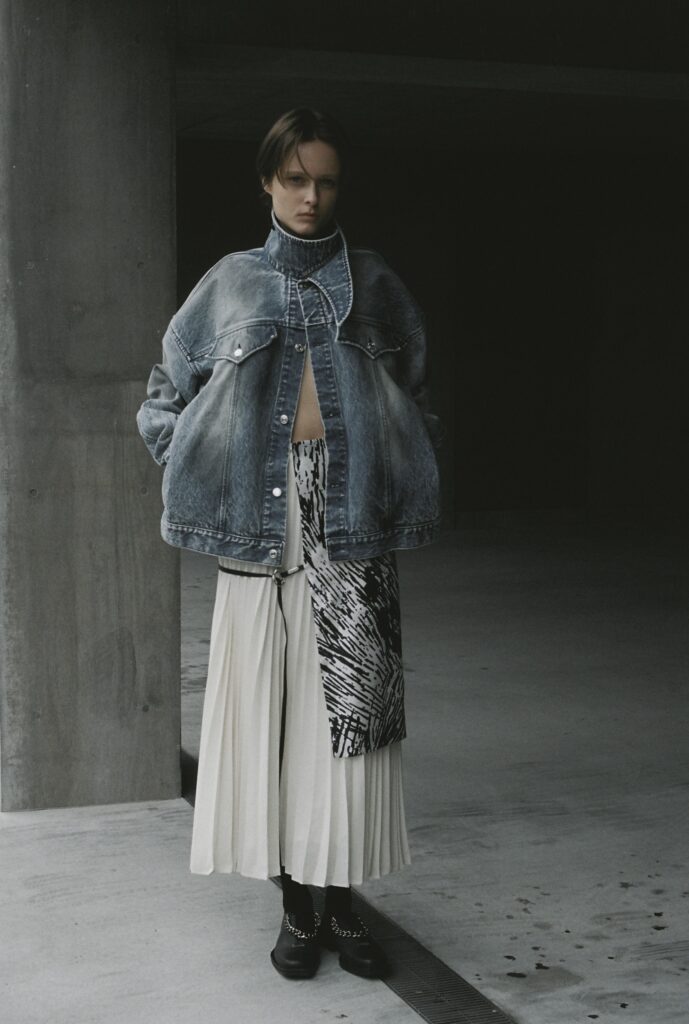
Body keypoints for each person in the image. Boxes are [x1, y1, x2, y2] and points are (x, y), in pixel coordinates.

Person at [136, 107, 442, 981]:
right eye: (296, 178)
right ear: (269, 180)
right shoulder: (230, 282)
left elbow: (417, 399)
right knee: (269, 726)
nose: (310, 196)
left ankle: (342, 908)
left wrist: (393, 474)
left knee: (350, 729)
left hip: (350, 528)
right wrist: (200, 465)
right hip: (257, 528)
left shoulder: (374, 283)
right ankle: (296, 912)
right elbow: (164, 396)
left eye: (325, 181)